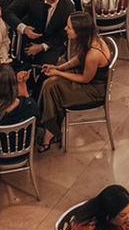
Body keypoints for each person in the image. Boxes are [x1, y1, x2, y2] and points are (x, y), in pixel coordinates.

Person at [38, 12, 111, 151]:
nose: (66, 29)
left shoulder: (93, 54)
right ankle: (49, 127)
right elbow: (78, 58)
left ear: (80, 32)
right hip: (89, 81)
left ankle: (49, 130)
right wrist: (59, 67)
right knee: (50, 84)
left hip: (93, 90)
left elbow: (85, 79)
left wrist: (59, 73)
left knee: (51, 87)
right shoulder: (90, 40)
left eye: (69, 27)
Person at [5, 0, 75, 65]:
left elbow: (63, 34)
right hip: (28, 34)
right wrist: (24, 28)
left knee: (45, 70)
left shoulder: (68, 7)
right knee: (17, 63)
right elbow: (8, 13)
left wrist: (42, 46)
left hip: (50, 42)